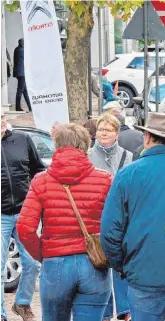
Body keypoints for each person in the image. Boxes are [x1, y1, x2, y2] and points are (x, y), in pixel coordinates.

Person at [101, 112, 165, 321]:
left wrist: (122, 266)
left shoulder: (128, 174)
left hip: (144, 273)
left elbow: (109, 231)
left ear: (147, 137)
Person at [16, 123, 113, 321]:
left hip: (55, 263)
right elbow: (117, 225)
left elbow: (24, 227)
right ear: (85, 146)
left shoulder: (41, 181)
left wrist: (42, 253)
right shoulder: (105, 180)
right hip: (94, 262)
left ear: (57, 146)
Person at [86, 114, 132, 321]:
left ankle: (124, 310)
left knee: (120, 262)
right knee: (99, 262)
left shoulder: (128, 156)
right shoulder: (86, 156)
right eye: (101, 129)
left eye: (109, 129)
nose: (104, 133)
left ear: (117, 133)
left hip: (121, 217)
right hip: (95, 216)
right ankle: (104, 311)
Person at [1, 113, 43, 321]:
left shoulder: (22, 139)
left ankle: (22, 303)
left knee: (34, 263)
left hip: (25, 212)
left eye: (0, 117)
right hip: (0, 215)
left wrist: (35, 199)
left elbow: (38, 170)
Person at [13, 38, 32, 112]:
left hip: (18, 73)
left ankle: (30, 107)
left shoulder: (16, 49)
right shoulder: (23, 51)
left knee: (24, 91)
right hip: (22, 73)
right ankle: (18, 107)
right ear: (23, 44)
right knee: (20, 91)